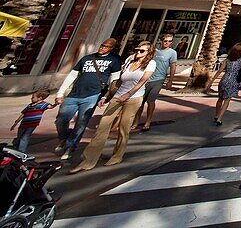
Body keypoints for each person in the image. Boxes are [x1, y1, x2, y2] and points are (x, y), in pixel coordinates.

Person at [69, 40, 156, 172]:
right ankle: (88, 160)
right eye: (137, 49)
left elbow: (142, 81)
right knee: (103, 126)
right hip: (117, 96)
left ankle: (117, 156)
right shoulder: (129, 61)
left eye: (142, 51)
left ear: (149, 53)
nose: (138, 52)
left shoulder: (151, 63)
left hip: (134, 98)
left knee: (123, 128)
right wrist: (106, 96)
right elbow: (118, 81)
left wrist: (129, 94)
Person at [53, 38, 122, 161]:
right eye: (102, 45)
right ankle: (64, 138)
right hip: (74, 94)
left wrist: (107, 96)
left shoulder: (115, 60)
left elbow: (114, 81)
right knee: (61, 120)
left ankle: (70, 147)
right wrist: (60, 93)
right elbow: (73, 75)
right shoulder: (87, 58)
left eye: (107, 46)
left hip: (93, 95)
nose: (103, 48)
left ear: (112, 48)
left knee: (81, 123)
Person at [137, 33, 178, 132]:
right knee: (140, 101)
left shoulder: (172, 53)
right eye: (165, 41)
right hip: (147, 78)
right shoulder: (154, 50)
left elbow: (173, 66)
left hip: (159, 79)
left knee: (151, 101)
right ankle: (135, 122)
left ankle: (148, 121)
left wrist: (170, 80)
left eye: (169, 41)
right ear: (161, 41)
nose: (167, 43)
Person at [214, 43, 241, 126]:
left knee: (220, 98)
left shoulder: (228, 59)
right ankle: (219, 118)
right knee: (227, 100)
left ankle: (216, 114)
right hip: (234, 81)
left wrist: (212, 80)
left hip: (224, 80)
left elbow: (220, 70)